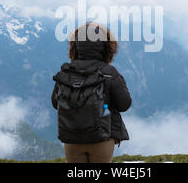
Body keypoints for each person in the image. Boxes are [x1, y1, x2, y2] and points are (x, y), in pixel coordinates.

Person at [51, 22, 131, 163]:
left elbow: (55, 103)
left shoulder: (66, 72)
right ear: (107, 47)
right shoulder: (109, 72)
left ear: (75, 46)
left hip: (72, 138)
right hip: (102, 138)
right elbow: (124, 104)